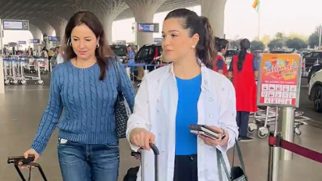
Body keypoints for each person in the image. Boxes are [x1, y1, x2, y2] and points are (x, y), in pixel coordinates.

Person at [126, 8, 238, 181]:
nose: (165, 42)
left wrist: (223, 136)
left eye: (173, 35)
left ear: (194, 40)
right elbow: (137, 119)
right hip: (161, 167)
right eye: (164, 36)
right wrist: (137, 131)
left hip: (206, 169)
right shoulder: (153, 81)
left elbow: (231, 129)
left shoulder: (220, 85)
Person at [23, 11, 135, 181]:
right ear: (69, 40)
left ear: (98, 39)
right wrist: (36, 147)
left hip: (106, 148)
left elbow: (135, 104)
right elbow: (52, 112)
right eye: (75, 39)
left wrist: (141, 139)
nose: (81, 45)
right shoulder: (61, 72)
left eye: (87, 39)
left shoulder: (114, 68)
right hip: (70, 149)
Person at [228, 38, 258, 141]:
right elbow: (256, 74)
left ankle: (235, 132)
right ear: (249, 46)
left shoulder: (234, 58)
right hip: (248, 87)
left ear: (240, 46)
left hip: (236, 87)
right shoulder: (252, 58)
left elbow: (230, 74)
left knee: (236, 110)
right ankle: (243, 134)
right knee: (245, 111)